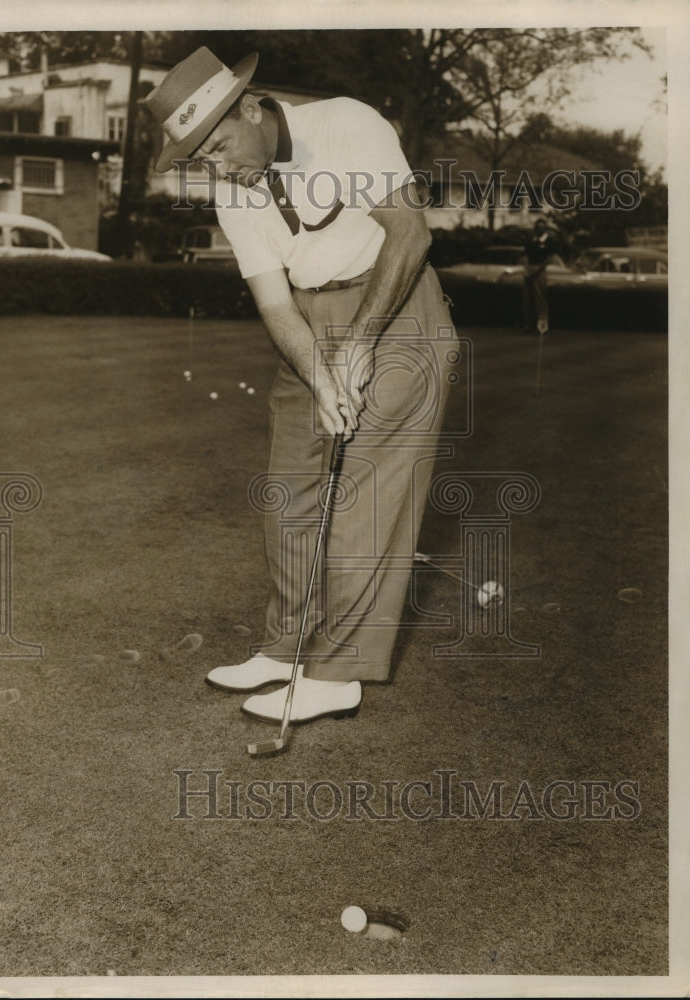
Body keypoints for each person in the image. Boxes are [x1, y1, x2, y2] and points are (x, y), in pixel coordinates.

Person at [146, 47, 458, 726]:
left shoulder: (349, 123)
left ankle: (337, 672)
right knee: (289, 492)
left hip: (397, 311)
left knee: (362, 497)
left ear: (253, 109)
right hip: (309, 325)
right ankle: (286, 648)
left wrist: (360, 344)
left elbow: (409, 234)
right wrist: (319, 370)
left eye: (221, 144)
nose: (218, 166)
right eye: (201, 158)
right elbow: (274, 303)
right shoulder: (233, 189)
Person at [522, 217, 556, 334]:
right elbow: (526, 256)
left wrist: (538, 269)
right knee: (528, 299)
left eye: (542, 227)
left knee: (540, 298)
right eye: (537, 227)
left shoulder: (548, 241)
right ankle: (529, 324)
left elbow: (550, 258)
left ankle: (542, 325)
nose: (539, 229)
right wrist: (526, 269)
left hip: (540, 269)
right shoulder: (531, 240)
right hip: (529, 269)